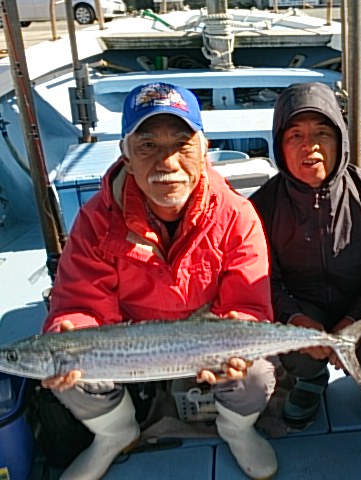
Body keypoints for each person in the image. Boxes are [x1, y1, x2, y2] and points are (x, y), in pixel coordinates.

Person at [41, 82, 277, 480]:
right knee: (65, 361)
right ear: (126, 156)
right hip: (130, 342)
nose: (167, 162)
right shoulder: (96, 220)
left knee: (254, 372)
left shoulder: (237, 216)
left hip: (208, 340)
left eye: (182, 145)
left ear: (204, 150)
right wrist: (70, 328)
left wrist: (238, 337)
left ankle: (236, 429)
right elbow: (80, 304)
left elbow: (248, 305)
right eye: (148, 146)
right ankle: (115, 433)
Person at [251, 82, 361, 429]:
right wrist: (294, 317)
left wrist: (354, 319)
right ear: (279, 145)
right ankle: (310, 379)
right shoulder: (260, 207)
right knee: (292, 348)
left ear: (341, 139)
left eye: (322, 132)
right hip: (305, 310)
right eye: (295, 135)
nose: (311, 146)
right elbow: (262, 278)